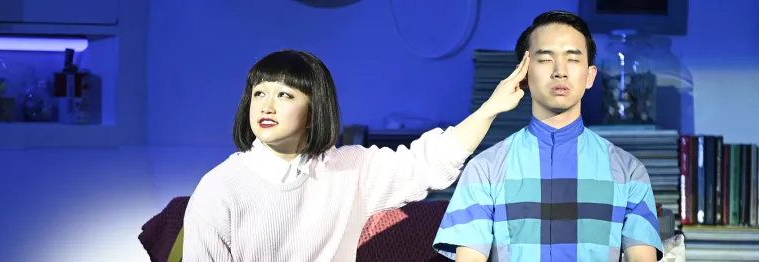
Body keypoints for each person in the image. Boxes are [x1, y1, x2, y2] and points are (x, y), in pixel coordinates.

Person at [182, 49, 531, 261]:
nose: (267, 105)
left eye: (285, 95)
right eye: (259, 93)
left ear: (314, 109)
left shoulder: (348, 169)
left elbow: (429, 163)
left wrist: (490, 109)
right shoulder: (219, 189)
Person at [432, 11, 663, 262]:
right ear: (523, 73)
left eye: (573, 59)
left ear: (590, 76)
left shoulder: (629, 171)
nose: (560, 71)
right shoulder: (484, 170)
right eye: (544, 59)